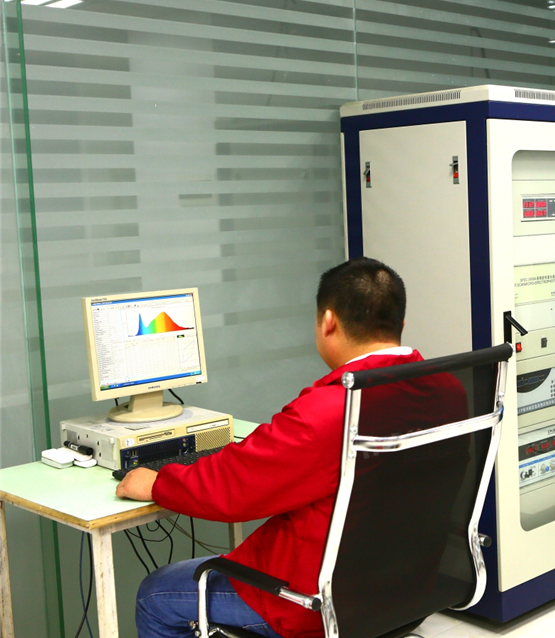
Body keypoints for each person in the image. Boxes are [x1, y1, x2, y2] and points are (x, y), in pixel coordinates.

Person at [116, 257, 467, 638]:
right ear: (400, 323)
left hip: (313, 602)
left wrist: (156, 483)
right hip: (403, 586)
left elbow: (232, 489)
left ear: (328, 321)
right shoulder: (449, 390)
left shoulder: (330, 412)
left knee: (156, 594)